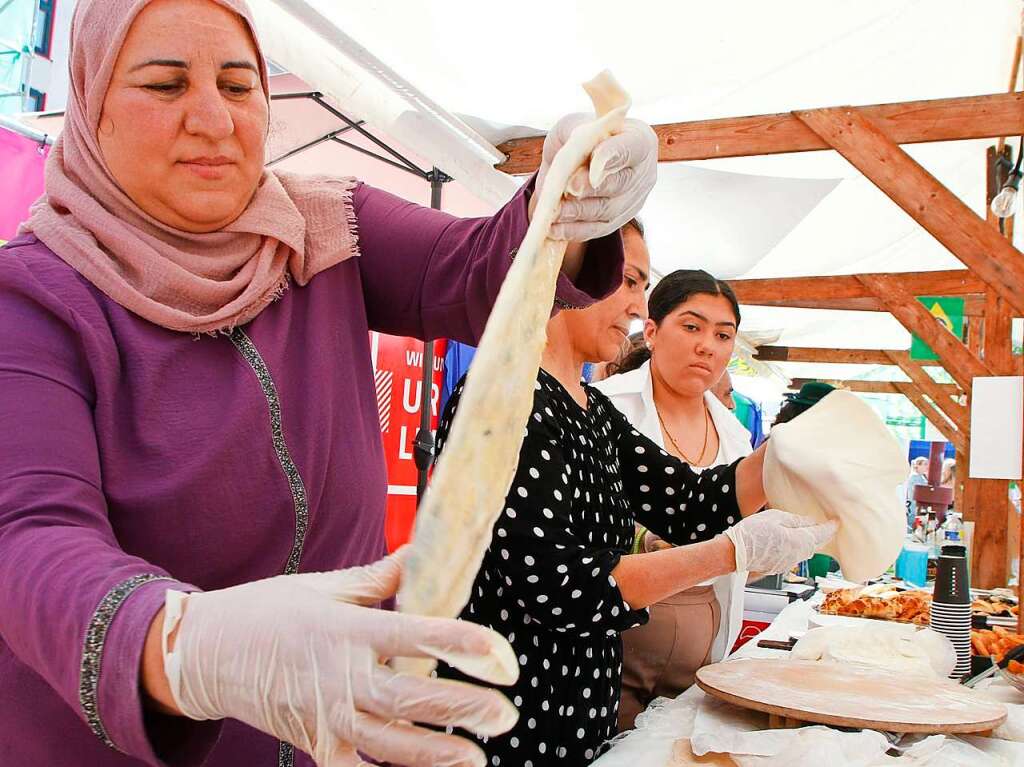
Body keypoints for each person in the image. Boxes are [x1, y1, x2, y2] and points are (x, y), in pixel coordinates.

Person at [0, 1, 662, 765]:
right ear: (90, 106)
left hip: (342, 733)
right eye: (165, 84)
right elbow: (29, 534)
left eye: (239, 85)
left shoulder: (324, 228)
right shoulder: (34, 297)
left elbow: (485, 271)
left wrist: (568, 204)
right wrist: (182, 644)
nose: (213, 119)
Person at [433, 227, 837, 764]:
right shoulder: (504, 395)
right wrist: (732, 552)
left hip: (579, 710)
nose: (635, 305)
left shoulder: (591, 411)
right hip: (507, 718)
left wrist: (792, 447)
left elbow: (689, 503)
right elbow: (560, 584)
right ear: (562, 271)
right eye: (628, 281)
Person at [593, 268, 754, 730]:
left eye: (724, 335)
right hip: (616, 635)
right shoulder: (605, 407)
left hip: (704, 637)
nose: (708, 345)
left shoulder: (736, 437)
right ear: (651, 331)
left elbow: (745, 547)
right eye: (691, 326)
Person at [906, 456, 929, 529]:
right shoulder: (915, 477)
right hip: (914, 504)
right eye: (925, 464)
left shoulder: (921, 476)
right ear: (918, 465)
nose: (927, 466)